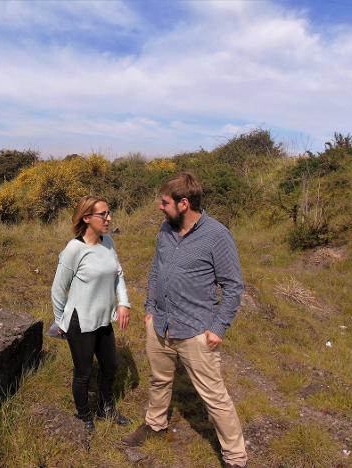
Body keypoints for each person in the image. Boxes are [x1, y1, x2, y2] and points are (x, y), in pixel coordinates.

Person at [122, 173, 248, 468]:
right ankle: (155, 424)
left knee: (215, 397)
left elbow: (233, 286)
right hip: (161, 323)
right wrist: (150, 307)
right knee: (159, 380)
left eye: (164, 202)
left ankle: (235, 458)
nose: (159, 207)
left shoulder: (217, 235)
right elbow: (156, 271)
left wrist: (218, 327)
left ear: (183, 204)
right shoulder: (165, 230)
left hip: (195, 329)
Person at [51, 195, 132, 432]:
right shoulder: (74, 249)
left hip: (104, 319)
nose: (109, 218)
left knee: (110, 367)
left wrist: (123, 303)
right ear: (87, 218)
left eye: (109, 212)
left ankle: (105, 408)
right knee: (83, 373)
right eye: (103, 214)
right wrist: (61, 322)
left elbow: (118, 274)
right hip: (80, 322)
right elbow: (57, 289)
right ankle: (84, 415)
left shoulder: (108, 243)